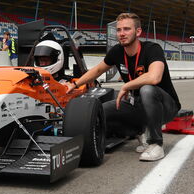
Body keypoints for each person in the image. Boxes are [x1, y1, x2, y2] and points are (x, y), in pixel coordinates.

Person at [64, 12, 180, 162]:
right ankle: (139, 131)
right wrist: (73, 84)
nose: (122, 34)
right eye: (119, 30)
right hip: (138, 104)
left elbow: (154, 77)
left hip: (165, 106)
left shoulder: (152, 49)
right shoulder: (117, 51)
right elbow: (97, 71)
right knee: (102, 110)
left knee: (147, 90)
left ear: (138, 32)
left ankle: (156, 144)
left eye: (126, 29)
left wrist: (127, 86)